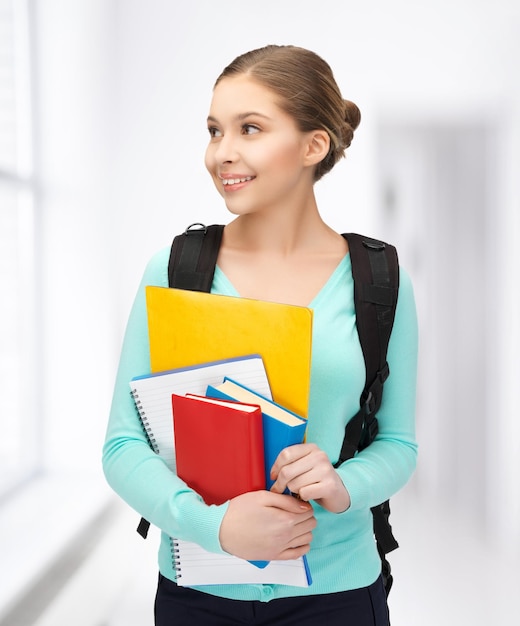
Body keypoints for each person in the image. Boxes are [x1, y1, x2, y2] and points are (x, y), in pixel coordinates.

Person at [103, 44, 418, 625]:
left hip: (340, 594)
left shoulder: (378, 279)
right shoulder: (176, 272)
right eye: (214, 130)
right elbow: (123, 447)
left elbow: (398, 444)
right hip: (198, 594)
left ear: (313, 145)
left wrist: (342, 483)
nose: (223, 153)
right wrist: (215, 526)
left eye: (249, 128)